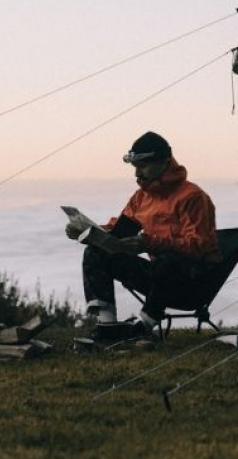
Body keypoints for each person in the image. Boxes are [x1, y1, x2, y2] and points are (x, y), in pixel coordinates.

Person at [67, 131, 219, 342]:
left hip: (193, 282)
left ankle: (143, 326)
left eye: (143, 166)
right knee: (95, 252)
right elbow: (120, 230)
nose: (137, 173)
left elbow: (199, 246)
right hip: (160, 279)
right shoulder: (142, 197)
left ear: (164, 162)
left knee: (170, 260)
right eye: (135, 167)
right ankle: (107, 325)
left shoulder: (193, 197)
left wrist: (150, 243)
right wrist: (88, 232)